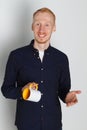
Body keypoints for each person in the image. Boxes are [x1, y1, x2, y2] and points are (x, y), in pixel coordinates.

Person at [1, 7, 81, 130]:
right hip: (26, 124)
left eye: (47, 25)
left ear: (54, 28)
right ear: (32, 26)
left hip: (53, 124)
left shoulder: (61, 58)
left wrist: (67, 97)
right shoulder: (16, 56)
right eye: (38, 24)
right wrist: (23, 91)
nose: (41, 30)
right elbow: (6, 90)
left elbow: (63, 90)